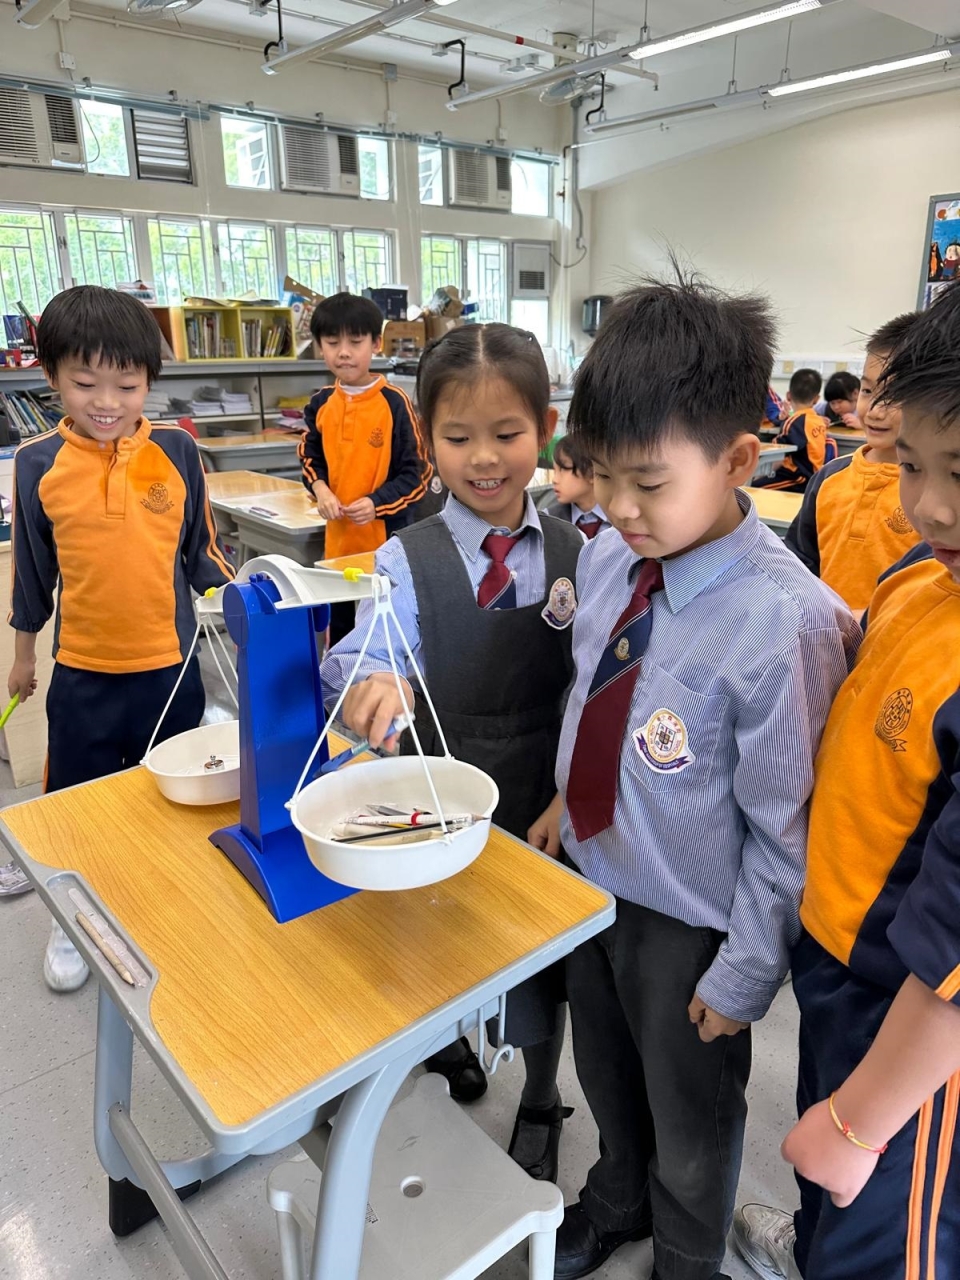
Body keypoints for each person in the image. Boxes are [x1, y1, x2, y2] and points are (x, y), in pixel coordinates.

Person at [528, 273, 859, 1280]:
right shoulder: (608, 558)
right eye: (601, 476)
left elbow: (786, 828)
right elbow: (594, 695)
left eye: (649, 482)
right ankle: (615, 1196)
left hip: (691, 923)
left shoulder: (786, 621)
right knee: (605, 1072)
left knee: (692, 1117)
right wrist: (565, 798)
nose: (618, 508)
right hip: (593, 874)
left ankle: (685, 1254)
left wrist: (746, 970)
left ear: (738, 460)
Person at [734, 274, 960, 1280]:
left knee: (891, 1229)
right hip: (834, 957)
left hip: (912, 1022)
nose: (930, 506)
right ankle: (816, 1239)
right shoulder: (922, 575)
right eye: (913, 464)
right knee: (825, 1175)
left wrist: (864, 1119)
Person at [320, 324, 584, 1184]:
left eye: (506, 433)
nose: (484, 459)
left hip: (545, 793)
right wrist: (376, 682)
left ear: (546, 428)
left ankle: (540, 1095)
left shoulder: (581, 550)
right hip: (444, 790)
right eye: (458, 437)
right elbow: (368, 650)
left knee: (543, 957)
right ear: (427, 441)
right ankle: (449, 1044)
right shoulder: (406, 557)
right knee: (437, 936)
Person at [1, 285, 232, 984]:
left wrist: (251, 606)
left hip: (171, 671)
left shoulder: (178, 451)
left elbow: (204, 555)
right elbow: (33, 575)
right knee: (82, 807)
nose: (107, 402)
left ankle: (164, 908)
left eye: (127, 386)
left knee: (172, 800)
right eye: (85, 383)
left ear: (148, 382)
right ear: (51, 377)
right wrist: (22, 657)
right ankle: (76, 922)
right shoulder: (37, 462)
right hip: (83, 674)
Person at [298, 292, 432, 642]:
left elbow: (417, 474)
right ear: (320, 347)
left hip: (387, 545)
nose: (344, 352)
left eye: (355, 342)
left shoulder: (394, 403)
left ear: (375, 344)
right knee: (341, 633)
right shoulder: (321, 403)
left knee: (388, 631)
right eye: (332, 343)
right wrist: (321, 490)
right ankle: (341, 678)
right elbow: (309, 457)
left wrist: (376, 503)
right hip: (338, 544)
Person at [785, 314, 922, 614]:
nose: (874, 410)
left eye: (895, 395)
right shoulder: (830, 477)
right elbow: (800, 560)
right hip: (825, 632)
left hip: (893, 636)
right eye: (868, 391)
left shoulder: (933, 494)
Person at [756, 368, 830, 492]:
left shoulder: (794, 422)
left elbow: (777, 450)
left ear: (788, 396)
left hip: (799, 477)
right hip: (813, 475)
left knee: (753, 487)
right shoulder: (818, 420)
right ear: (816, 399)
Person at [544, 433, 609, 539]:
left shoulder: (624, 517)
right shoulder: (548, 521)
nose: (554, 480)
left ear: (593, 472)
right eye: (554, 471)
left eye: (563, 469)